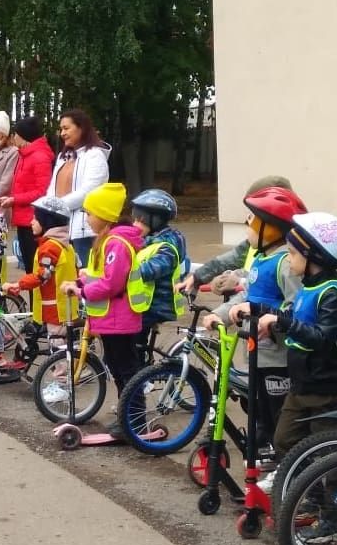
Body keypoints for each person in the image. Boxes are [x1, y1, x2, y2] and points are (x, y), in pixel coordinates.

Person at [252, 212, 337, 495]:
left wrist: (282, 322)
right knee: (284, 440)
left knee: (326, 449)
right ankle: (307, 493)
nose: (289, 258)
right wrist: (260, 314)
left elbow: (321, 337)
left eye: (294, 253)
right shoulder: (308, 288)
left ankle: (335, 510)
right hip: (301, 384)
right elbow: (291, 315)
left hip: (323, 387)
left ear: (313, 258)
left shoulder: (331, 294)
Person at [220, 186, 308, 446]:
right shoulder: (261, 259)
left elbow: (297, 310)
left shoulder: (285, 265)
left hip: (277, 358)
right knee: (260, 412)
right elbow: (247, 297)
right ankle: (265, 452)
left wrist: (272, 323)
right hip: (257, 353)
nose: (247, 226)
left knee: (278, 415)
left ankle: (281, 462)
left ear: (270, 228)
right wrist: (221, 315)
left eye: (252, 221)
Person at [60, 182, 143, 439]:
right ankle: (128, 416)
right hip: (109, 318)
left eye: (90, 213)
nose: (87, 218)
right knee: (119, 369)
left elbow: (112, 283)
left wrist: (82, 291)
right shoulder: (106, 241)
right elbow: (99, 275)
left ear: (106, 215)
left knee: (126, 369)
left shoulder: (116, 244)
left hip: (119, 319)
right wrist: (81, 281)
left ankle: (135, 420)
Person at [177, 175, 294, 297]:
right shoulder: (257, 241)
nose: (249, 222)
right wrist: (197, 277)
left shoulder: (293, 252)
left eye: (255, 215)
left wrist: (240, 280)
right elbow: (227, 260)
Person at [3, 196, 76, 381]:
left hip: (55, 307)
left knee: (57, 346)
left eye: (36, 218)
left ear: (47, 222)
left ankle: (63, 385)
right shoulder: (64, 244)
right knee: (62, 343)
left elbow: (42, 275)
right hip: (63, 304)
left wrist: (18, 285)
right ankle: (71, 372)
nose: (31, 221)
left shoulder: (50, 247)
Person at [47, 109, 110, 268]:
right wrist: (46, 208)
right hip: (60, 228)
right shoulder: (63, 157)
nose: (62, 133)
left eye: (66, 128)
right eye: (61, 129)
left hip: (84, 231)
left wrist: (56, 206)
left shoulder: (95, 156)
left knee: (84, 278)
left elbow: (88, 192)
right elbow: (52, 188)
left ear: (81, 128)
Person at [130, 189, 189, 360]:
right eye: (134, 218)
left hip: (156, 304)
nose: (135, 224)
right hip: (146, 302)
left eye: (140, 220)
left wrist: (122, 271)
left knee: (133, 345)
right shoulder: (148, 240)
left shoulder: (167, 247)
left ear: (156, 220)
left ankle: (142, 379)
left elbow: (148, 271)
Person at [0, 116, 54, 278]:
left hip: (33, 220)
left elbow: (42, 191)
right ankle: (33, 302)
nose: (13, 138)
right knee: (29, 267)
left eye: (16, 134)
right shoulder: (25, 155)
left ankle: (38, 302)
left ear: (23, 136)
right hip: (23, 219)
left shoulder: (39, 157)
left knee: (34, 267)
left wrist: (15, 200)